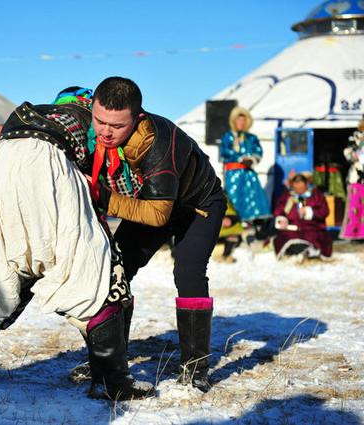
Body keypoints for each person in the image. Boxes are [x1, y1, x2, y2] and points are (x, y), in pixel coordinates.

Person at [0, 88, 153, 400]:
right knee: (89, 265)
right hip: (44, 166)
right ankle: (110, 381)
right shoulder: (91, 121)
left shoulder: (35, 112)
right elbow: (118, 180)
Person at [87, 77, 225, 391]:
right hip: (150, 200)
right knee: (115, 268)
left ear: (138, 117)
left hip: (197, 205)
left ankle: (195, 370)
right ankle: (110, 361)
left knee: (188, 272)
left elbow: (157, 214)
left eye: (117, 126)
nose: (106, 131)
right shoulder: (96, 124)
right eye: (99, 121)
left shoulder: (159, 145)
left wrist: (102, 198)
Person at [219, 107, 271, 235]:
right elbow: (224, 153)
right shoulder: (227, 136)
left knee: (253, 199)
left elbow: (258, 151)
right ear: (234, 121)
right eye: (239, 120)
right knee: (234, 198)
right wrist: (239, 158)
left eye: (244, 120)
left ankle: (254, 227)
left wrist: (252, 159)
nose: (241, 123)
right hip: (233, 174)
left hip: (248, 174)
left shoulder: (251, 138)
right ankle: (234, 226)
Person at [273, 173, 332, 260]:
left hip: (313, 227)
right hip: (292, 228)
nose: (299, 190)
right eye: (296, 188)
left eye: (301, 188)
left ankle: (311, 252)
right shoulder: (288, 196)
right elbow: (279, 210)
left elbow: (324, 211)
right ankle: (294, 253)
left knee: (314, 237)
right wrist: (282, 219)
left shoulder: (316, 195)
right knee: (286, 237)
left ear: (306, 185)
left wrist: (309, 211)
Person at [340, 116, 364, 240]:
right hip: (357, 178)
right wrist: (356, 154)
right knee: (355, 207)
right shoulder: (355, 138)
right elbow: (347, 153)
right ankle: (355, 234)